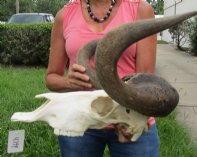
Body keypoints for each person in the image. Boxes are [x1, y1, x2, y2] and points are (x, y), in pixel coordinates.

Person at [45, 0, 159, 156]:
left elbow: (146, 80)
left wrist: (128, 120)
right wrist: (69, 82)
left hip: (131, 120)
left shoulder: (140, 9)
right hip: (81, 121)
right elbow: (51, 78)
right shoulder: (65, 15)